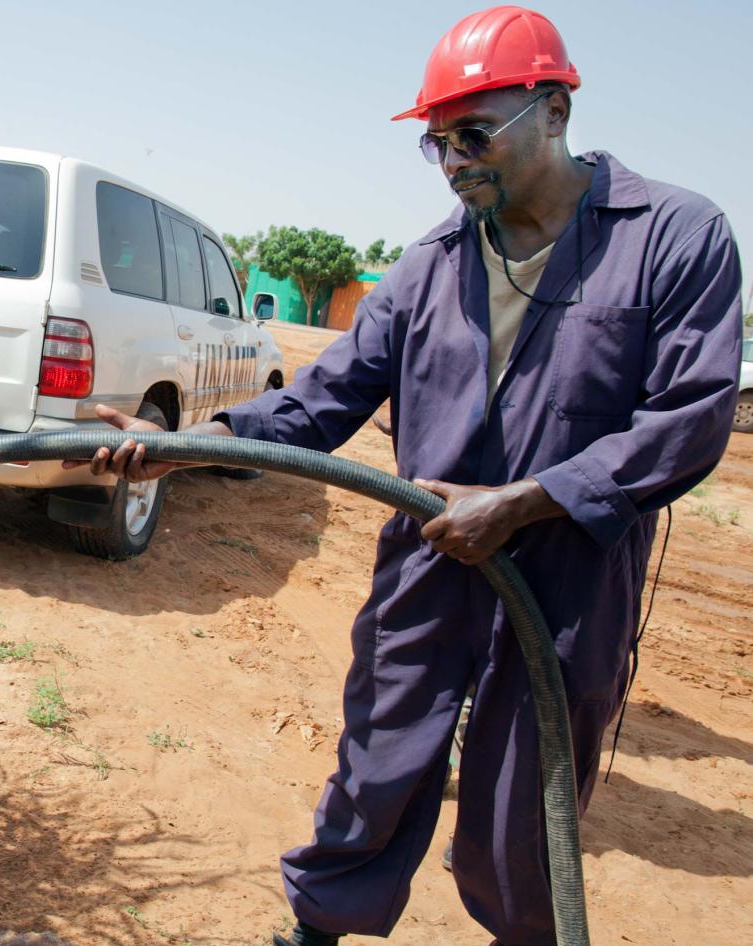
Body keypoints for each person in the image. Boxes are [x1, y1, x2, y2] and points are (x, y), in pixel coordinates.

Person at [68, 7, 743, 945]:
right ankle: (316, 928)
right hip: (431, 552)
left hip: (569, 569)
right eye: (437, 142)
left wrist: (525, 502)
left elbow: (690, 419)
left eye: (475, 134)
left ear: (554, 111)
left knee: (523, 804)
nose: (455, 159)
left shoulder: (673, 235)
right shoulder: (429, 265)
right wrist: (190, 441)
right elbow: (322, 399)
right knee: (377, 760)